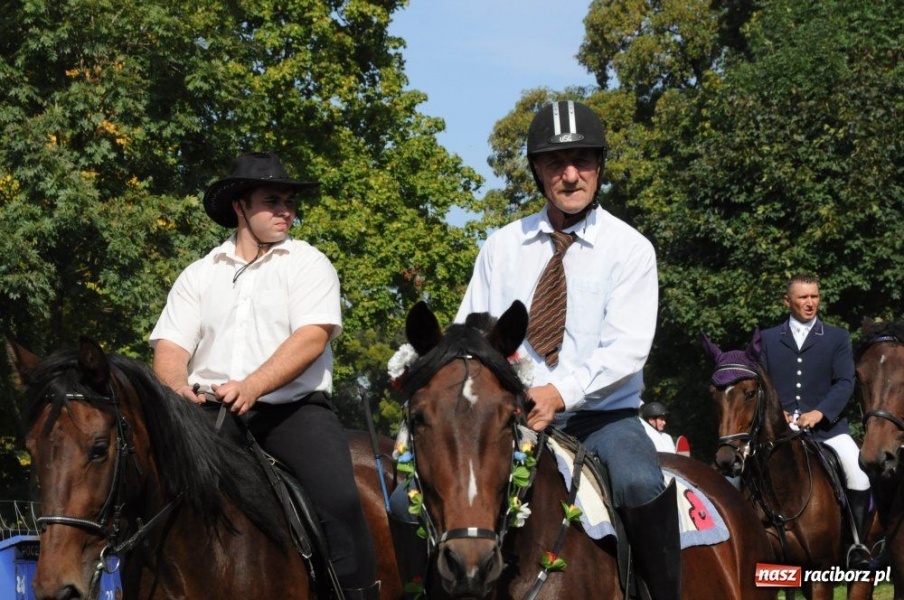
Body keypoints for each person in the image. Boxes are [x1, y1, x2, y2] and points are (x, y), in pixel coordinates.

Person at [455, 100, 680, 600]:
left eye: (583, 161)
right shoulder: (500, 247)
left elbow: (628, 348)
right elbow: (471, 334)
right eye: (557, 163)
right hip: (511, 420)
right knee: (432, 493)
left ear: (600, 167)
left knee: (641, 482)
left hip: (603, 420)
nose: (571, 175)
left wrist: (560, 392)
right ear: (537, 170)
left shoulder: (631, 248)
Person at [149, 151, 379, 599]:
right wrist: (177, 388)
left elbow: (313, 337)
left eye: (290, 202)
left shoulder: (309, 263)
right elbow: (170, 348)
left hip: (292, 413)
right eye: (272, 201)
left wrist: (252, 385)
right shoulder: (198, 275)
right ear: (240, 207)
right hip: (204, 415)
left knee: (341, 500)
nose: (286, 212)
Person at [760, 273, 873, 569]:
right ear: (788, 301)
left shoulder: (836, 337)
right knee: (734, 475)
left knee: (857, 470)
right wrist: (777, 413)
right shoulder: (769, 338)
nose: (810, 303)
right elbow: (763, 383)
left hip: (827, 429)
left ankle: (857, 545)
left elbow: (846, 381)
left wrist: (820, 413)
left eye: (814, 296)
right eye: (803, 297)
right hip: (779, 430)